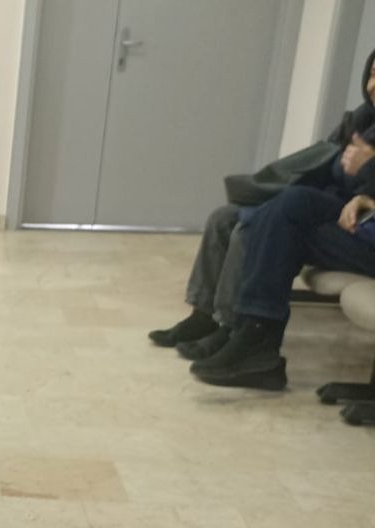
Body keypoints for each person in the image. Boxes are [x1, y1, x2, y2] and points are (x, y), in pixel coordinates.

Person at [151, 48, 375, 367]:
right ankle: (204, 316)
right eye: (372, 75)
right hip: (340, 217)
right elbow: (328, 172)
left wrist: (368, 169)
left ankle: (236, 330)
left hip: (360, 233)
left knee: (259, 224)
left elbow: (359, 185)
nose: (373, 85)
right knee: (225, 218)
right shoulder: (363, 120)